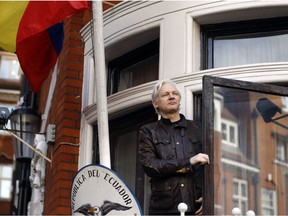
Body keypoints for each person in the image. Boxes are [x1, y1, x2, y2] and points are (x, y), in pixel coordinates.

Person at [138, 79, 209, 215]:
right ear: (155, 103)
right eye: (165, 94)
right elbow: (150, 165)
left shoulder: (198, 129)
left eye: (175, 93)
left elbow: (213, 167)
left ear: (179, 100)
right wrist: (188, 162)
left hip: (197, 208)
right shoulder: (148, 131)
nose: (171, 96)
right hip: (164, 210)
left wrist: (209, 197)